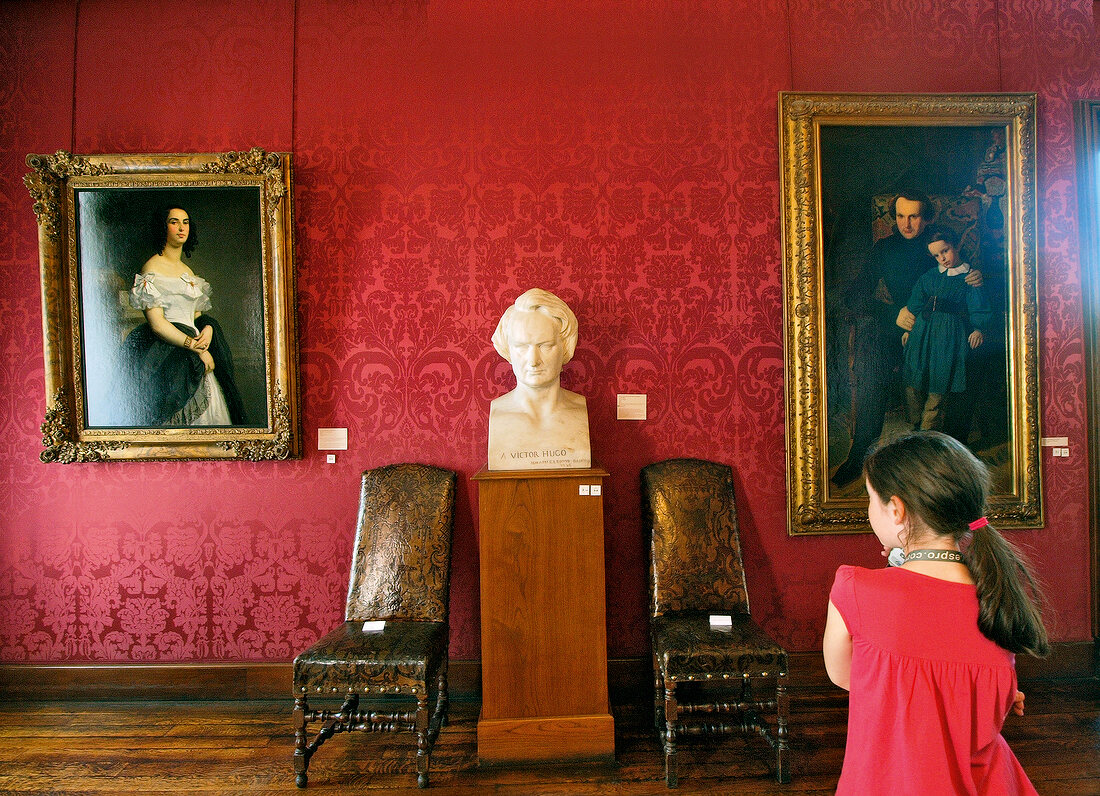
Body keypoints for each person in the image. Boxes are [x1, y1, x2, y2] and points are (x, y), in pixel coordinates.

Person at [823, 431, 1049, 794]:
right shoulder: (998, 597)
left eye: (870, 500)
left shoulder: (854, 588)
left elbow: (849, 676)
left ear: (896, 509)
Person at [831, 192, 982, 486]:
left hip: (940, 330)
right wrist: (893, 315)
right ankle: (861, 451)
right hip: (901, 328)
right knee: (870, 351)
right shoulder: (885, 248)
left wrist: (977, 278)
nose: (906, 224)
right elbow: (854, 295)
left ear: (927, 218)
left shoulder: (940, 247)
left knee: (968, 355)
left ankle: (953, 454)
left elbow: (968, 286)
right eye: (900, 216)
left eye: (914, 216)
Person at [113, 205, 246, 427]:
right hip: (169, 353)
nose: (181, 227)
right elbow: (158, 325)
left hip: (196, 347)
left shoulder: (188, 272)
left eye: (185, 222)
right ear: (162, 227)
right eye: (174, 222)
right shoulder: (152, 268)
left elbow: (195, 317)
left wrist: (208, 328)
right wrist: (195, 348)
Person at [900, 226, 993, 432]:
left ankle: (926, 433)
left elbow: (979, 306)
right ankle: (915, 425)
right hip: (922, 332)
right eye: (936, 255)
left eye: (945, 250)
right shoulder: (929, 276)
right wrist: (909, 328)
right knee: (914, 380)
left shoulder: (969, 277)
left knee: (939, 383)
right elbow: (915, 302)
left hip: (949, 335)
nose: (942, 258)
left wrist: (979, 329)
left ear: (956, 245)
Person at [488, 288, 590, 470]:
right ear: (508, 349)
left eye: (545, 345)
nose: (533, 361)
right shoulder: (500, 415)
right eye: (521, 347)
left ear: (565, 347)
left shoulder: (578, 411)